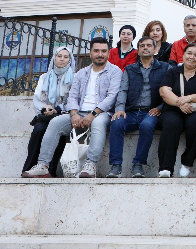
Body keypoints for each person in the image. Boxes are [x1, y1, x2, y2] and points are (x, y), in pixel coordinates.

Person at [23, 38, 122, 178]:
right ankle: (43, 165)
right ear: (90, 53)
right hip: (79, 112)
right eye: (96, 51)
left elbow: (111, 97)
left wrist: (93, 114)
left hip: (101, 113)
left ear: (108, 53)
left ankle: (90, 164)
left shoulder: (115, 72)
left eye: (103, 51)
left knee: (98, 124)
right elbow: (72, 96)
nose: (100, 54)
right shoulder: (82, 73)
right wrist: (74, 113)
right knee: (55, 122)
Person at [108, 37, 169, 178]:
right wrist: (120, 109)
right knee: (116, 123)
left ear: (155, 50)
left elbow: (169, 90)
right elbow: (122, 90)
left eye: (149, 45)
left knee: (147, 126)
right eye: (142, 46)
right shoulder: (130, 69)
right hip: (131, 111)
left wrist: (160, 107)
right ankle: (116, 165)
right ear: (138, 50)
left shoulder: (165, 68)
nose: (145, 48)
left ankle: (138, 165)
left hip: (151, 111)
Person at [21, 46, 75, 177]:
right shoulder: (45, 77)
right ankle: (29, 167)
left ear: (70, 60)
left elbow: (74, 99)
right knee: (39, 128)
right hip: (46, 114)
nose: (62, 59)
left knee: (57, 126)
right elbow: (38, 98)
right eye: (59, 56)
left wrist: (57, 109)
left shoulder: (75, 77)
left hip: (64, 114)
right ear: (54, 58)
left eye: (66, 57)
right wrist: (45, 108)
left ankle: (51, 170)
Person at [158, 43, 196, 178]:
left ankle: (187, 163)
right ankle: (166, 168)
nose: (192, 57)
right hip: (173, 109)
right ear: (183, 55)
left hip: (195, 111)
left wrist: (189, 98)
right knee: (171, 123)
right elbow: (164, 91)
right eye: (189, 53)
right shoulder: (173, 71)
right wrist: (179, 103)